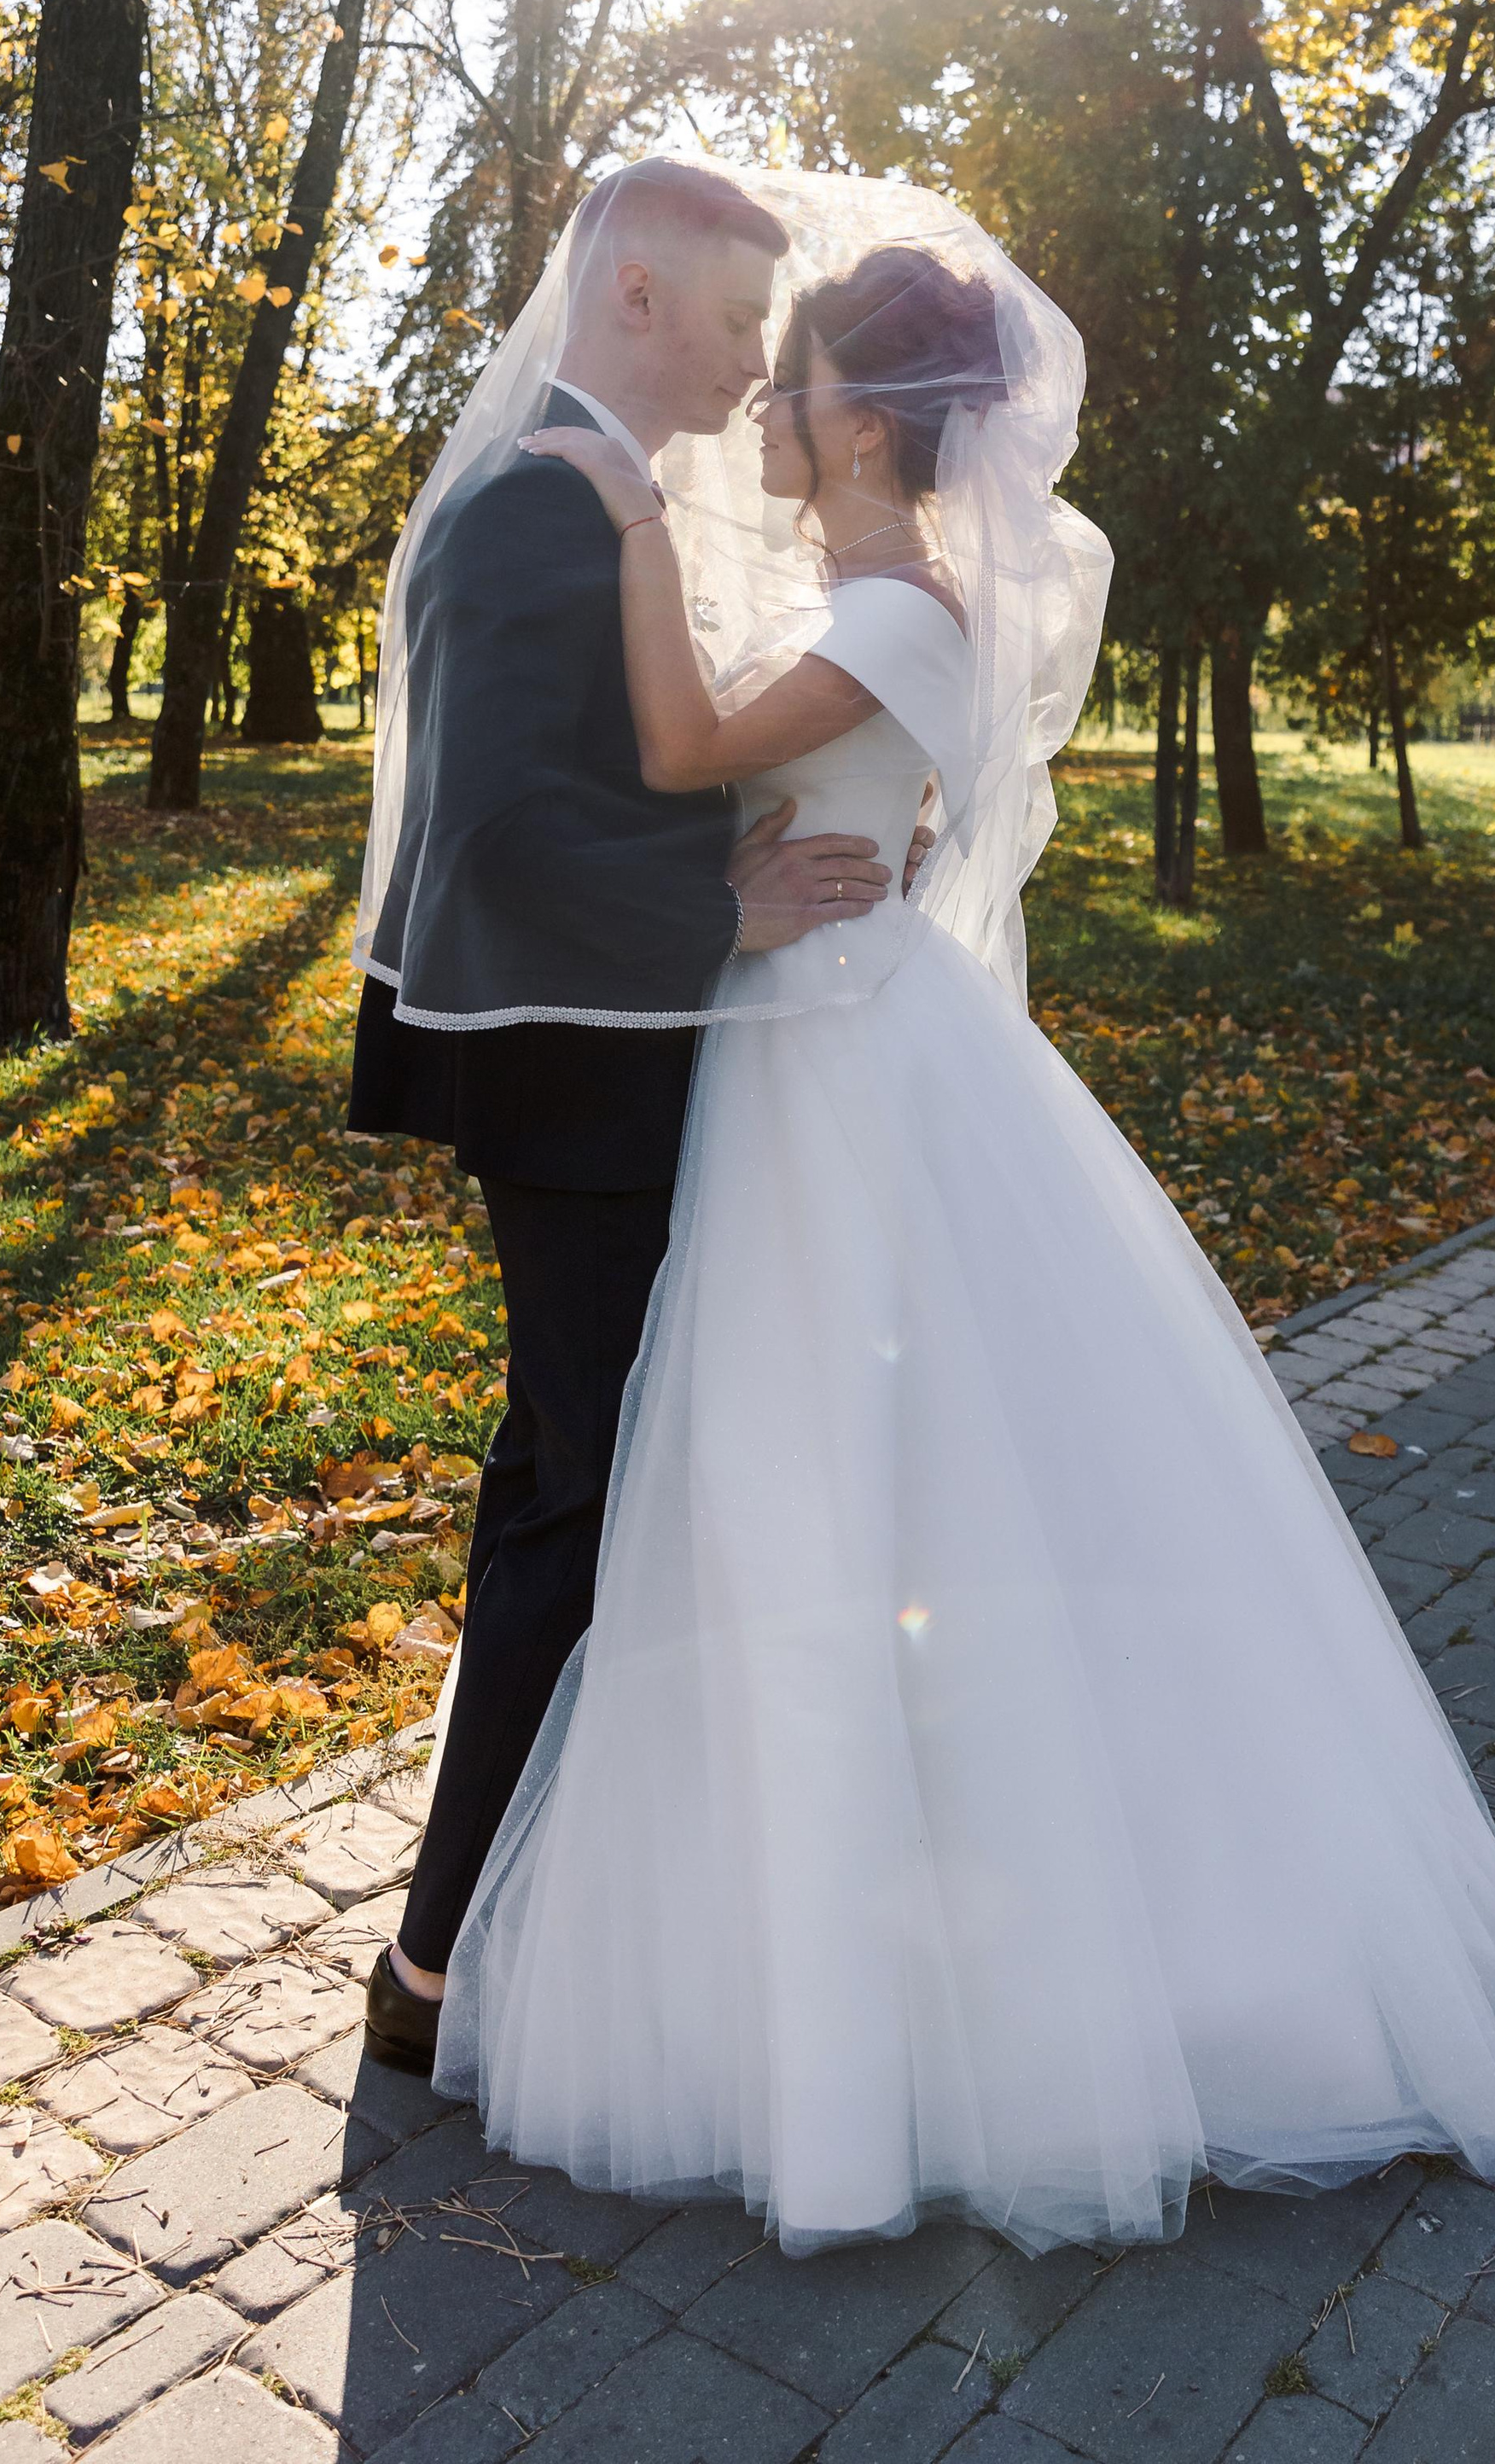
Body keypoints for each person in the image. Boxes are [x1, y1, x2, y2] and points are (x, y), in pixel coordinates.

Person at [426, 185, 1495, 2259]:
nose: (763, 403)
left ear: (865, 425)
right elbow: (805, 795)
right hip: (819, 1045)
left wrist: (621, 516)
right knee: (817, 1496)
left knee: (832, 1494)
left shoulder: (890, 608)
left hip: (831, 1072)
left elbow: (686, 750)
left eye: (795, 381)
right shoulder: (899, 597)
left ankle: (888, 1990)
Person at [347, 158, 899, 2073]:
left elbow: (604, 772)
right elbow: (494, 827)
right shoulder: (528, 507)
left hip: (625, 1066)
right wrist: (720, 904)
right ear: (639, 294)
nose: (761, 363)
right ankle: (429, 1975)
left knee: (583, 1488)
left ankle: (519, 1920)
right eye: (743, 319)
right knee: (579, 1507)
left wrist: (729, 834)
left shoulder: (602, 497)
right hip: (578, 1088)